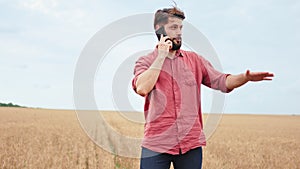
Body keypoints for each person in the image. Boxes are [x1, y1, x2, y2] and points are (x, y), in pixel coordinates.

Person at [132, 7, 274, 169]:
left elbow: (222, 81)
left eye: (180, 28)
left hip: (190, 143)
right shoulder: (145, 61)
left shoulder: (195, 60)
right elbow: (142, 88)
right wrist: (161, 56)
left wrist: (245, 78)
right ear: (159, 29)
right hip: (156, 145)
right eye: (173, 27)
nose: (179, 32)